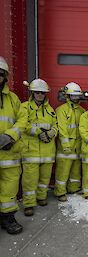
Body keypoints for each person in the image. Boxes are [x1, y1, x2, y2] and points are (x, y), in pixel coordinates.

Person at [21, 79, 58, 216]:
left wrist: (52, 132)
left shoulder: (50, 110)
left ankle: (41, 197)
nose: (40, 95)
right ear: (32, 93)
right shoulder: (24, 107)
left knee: (44, 178)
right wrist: (40, 133)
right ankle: (29, 204)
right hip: (31, 151)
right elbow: (23, 125)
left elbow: (56, 125)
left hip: (48, 150)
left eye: (42, 93)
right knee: (30, 180)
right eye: (37, 92)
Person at [0, 57, 27, 234]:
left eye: (0, 74)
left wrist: (9, 136)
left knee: (10, 187)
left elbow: (22, 119)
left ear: (5, 77)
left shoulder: (13, 99)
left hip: (9, 152)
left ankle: (8, 217)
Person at [54, 82, 85, 201]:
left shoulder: (81, 110)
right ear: (68, 96)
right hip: (65, 147)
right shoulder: (61, 110)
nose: (76, 98)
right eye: (73, 96)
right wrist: (66, 145)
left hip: (78, 146)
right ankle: (60, 192)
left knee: (75, 171)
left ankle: (74, 188)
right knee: (63, 171)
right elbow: (62, 129)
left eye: (77, 96)